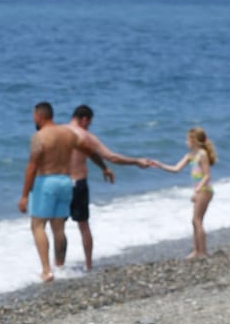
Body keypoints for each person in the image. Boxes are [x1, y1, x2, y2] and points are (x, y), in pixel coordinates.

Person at [67, 105, 153, 272]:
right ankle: (89, 265)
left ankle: (57, 267)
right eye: (89, 123)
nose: (88, 127)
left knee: (57, 227)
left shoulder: (58, 132)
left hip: (59, 183)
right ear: (84, 119)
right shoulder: (86, 136)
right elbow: (112, 157)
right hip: (78, 183)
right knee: (83, 226)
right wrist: (136, 161)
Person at [18, 102, 79, 282]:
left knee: (37, 225)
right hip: (65, 181)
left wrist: (24, 195)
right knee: (59, 228)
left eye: (33, 115)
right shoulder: (68, 133)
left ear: (39, 116)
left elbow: (32, 166)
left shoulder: (39, 136)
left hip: (46, 181)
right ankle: (60, 267)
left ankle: (47, 270)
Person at [152, 127, 216, 260]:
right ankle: (197, 250)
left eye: (187, 139)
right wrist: (160, 165)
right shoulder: (190, 156)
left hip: (205, 190)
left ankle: (202, 252)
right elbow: (176, 169)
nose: (185, 141)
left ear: (195, 141)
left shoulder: (202, 154)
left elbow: (207, 175)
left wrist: (198, 189)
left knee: (197, 220)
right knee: (195, 221)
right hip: (200, 190)